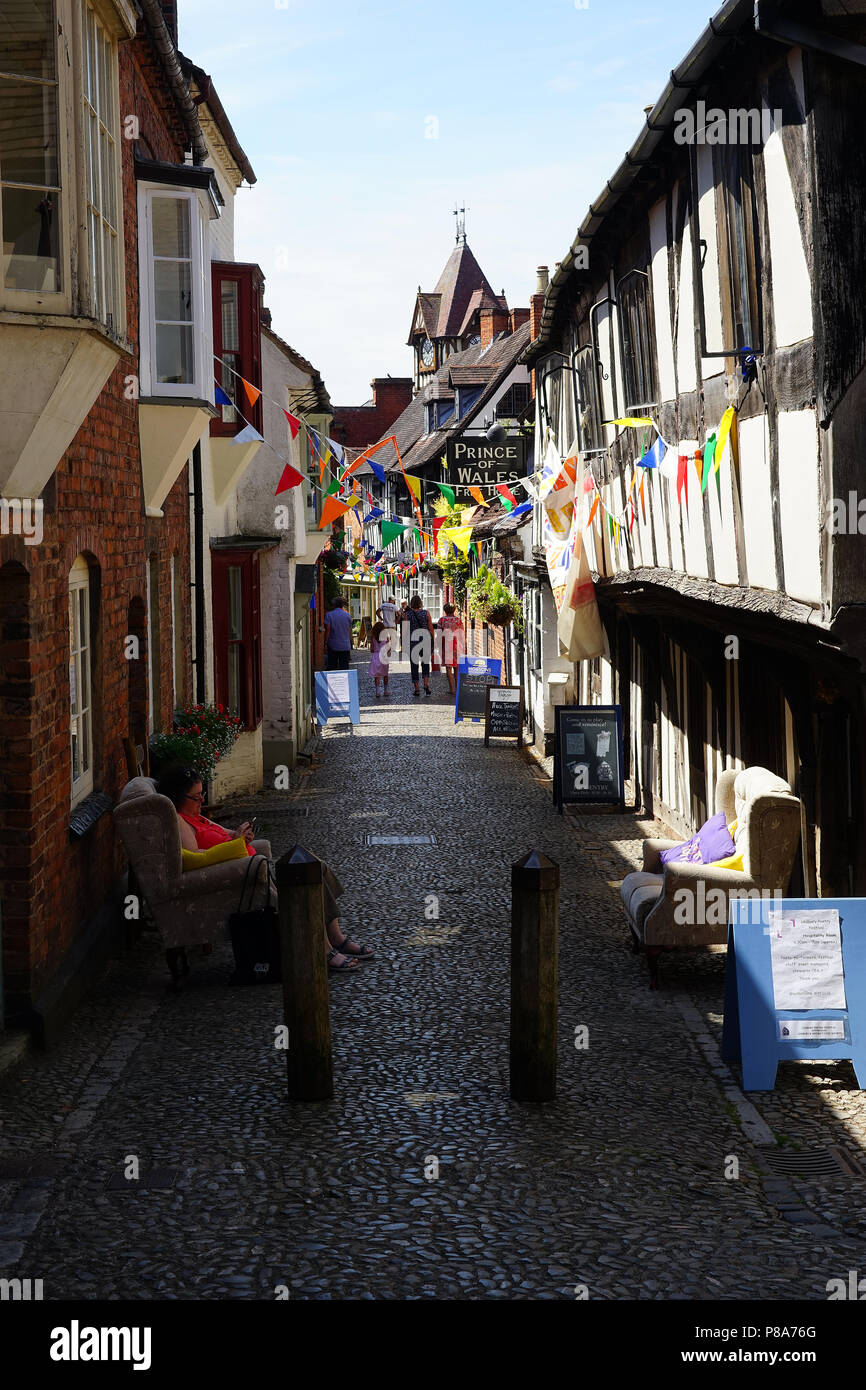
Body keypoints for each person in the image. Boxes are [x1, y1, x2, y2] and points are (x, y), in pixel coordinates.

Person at [156, 766, 374, 971]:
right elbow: (195, 858)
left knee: (316, 867)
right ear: (177, 797)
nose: (201, 801)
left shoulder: (197, 816)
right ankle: (323, 950)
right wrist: (237, 844)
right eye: (196, 797)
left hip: (255, 866)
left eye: (202, 794)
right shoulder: (180, 822)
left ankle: (336, 938)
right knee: (304, 878)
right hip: (245, 876)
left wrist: (239, 835)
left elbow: (227, 835)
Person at [407, 593, 435, 697]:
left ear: (411, 603)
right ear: (420, 603)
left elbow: (405, 631)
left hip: (413, 641)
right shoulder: (426, 613)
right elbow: (431, 627)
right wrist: (433, 640)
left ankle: (417, 689)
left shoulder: (408, 614)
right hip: (426, 639)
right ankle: (426, 684)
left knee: (414, 665)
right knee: (426, 663)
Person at [437, 602, 465, 695]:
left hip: (447, 645)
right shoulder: (458, 620)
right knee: (457, 667)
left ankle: (451, 689)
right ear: (454, 610)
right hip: (457, 645)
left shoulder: (442, 620)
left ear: (445, 610)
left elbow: (439, 634)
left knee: (449, 667)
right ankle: (458, 688)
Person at [324, 597, 352, 670]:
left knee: (332, 667)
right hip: (345, 645)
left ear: (333, 605)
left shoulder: (329, 615)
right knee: (344, 667)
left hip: (333, 645)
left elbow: (328, 630)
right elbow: (349, 630)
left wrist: (325, 643)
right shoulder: (347, 615)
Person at [368, 619, 391, 696]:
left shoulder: (373, 637)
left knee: (377, 676)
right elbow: (389, 648)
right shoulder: (386, 637)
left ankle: (377, 691)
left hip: (376, 657)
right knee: (385, 674)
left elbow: (371, 649)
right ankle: (386, 690)